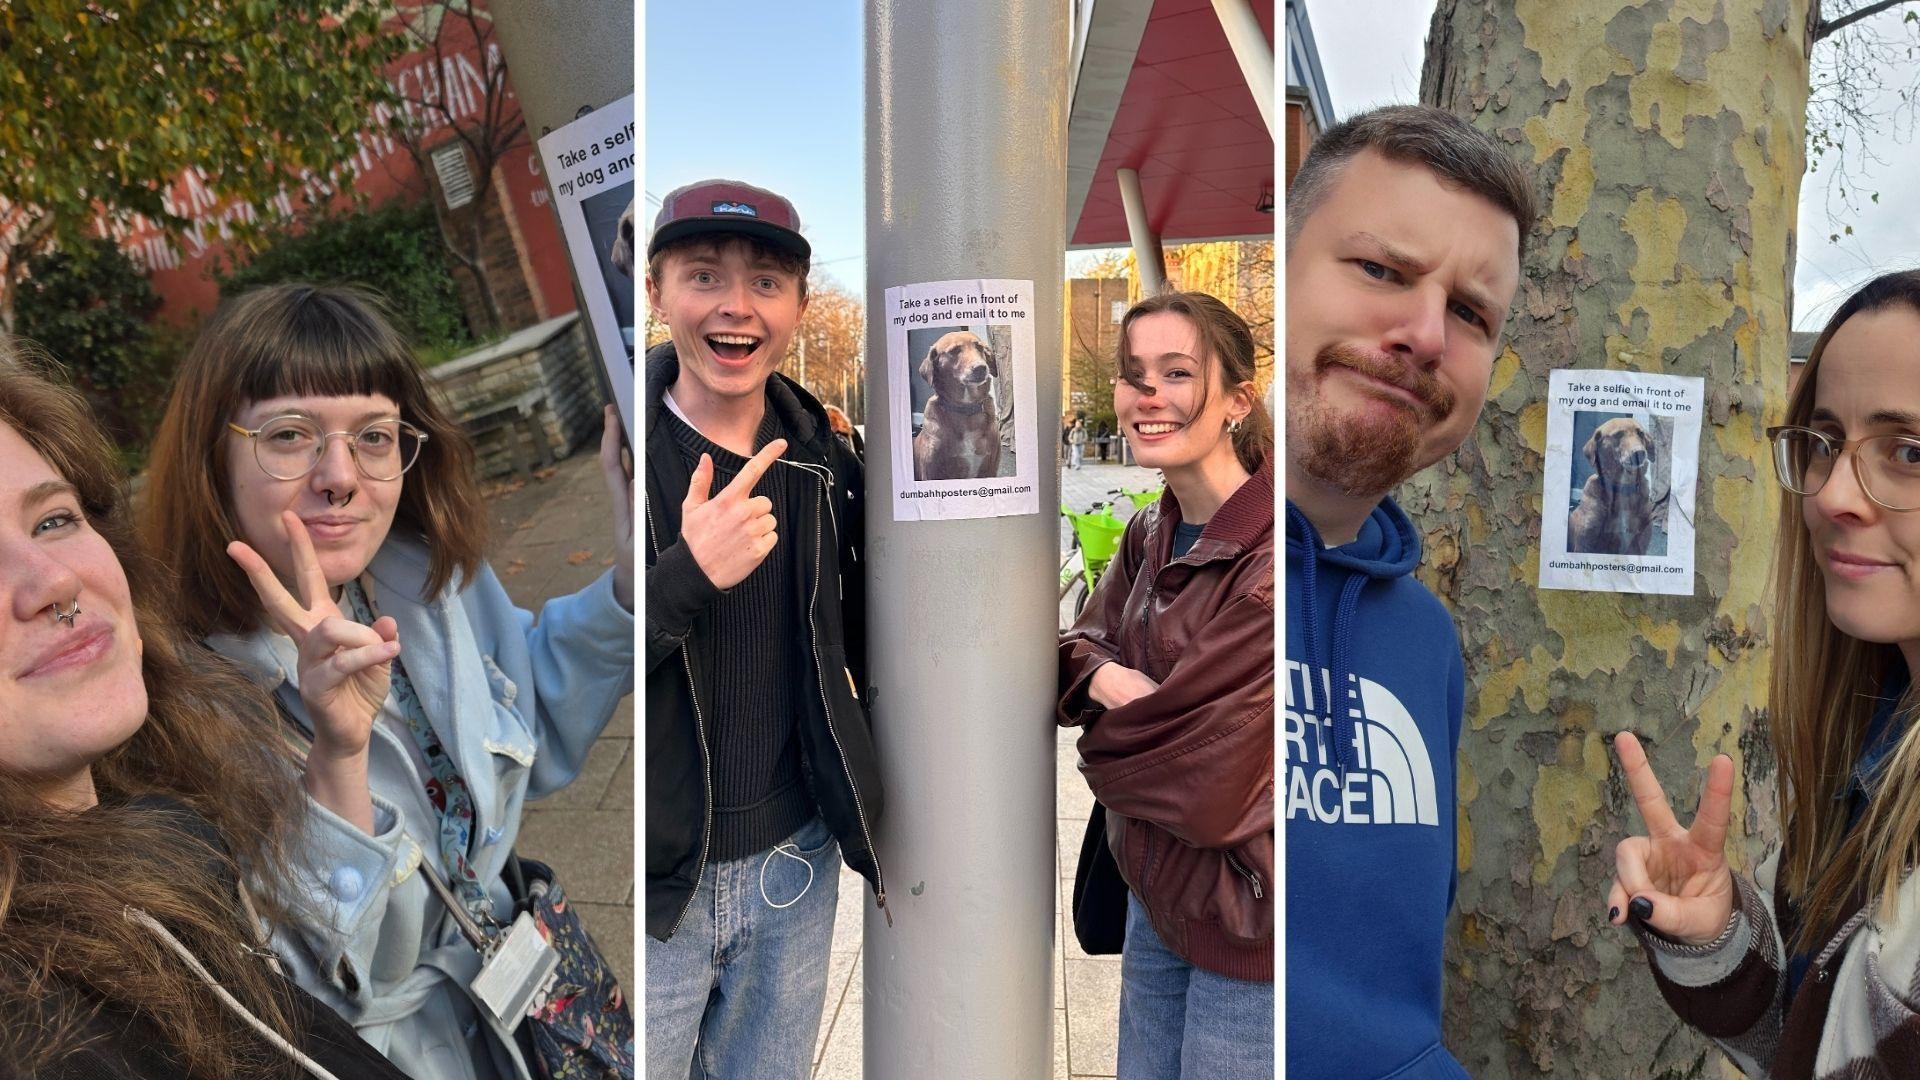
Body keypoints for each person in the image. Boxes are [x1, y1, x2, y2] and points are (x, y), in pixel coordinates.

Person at [138, 284, 636, 1080]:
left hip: (528, 1016)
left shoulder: (425, 580)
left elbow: (528, 712)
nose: (339, 477)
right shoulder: (181, 696)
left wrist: (629, 581)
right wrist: (338, 754)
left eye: (373, 435)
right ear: (212, 459)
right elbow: (299, 972)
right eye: (290, 435)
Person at [0, 343, 413, 1079]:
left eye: (53, 521)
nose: (54, 583)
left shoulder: (158, 804)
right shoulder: (38, 1031)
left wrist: (341, 750)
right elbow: (344, 968)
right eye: (290, 435)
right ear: (211, 466)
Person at [1608, 269, 1920, 1076]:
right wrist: (1719, 939)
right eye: (1822, 442)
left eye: (1909, 452)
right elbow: (1805, 1047)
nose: (1832, 496)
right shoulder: (1863, 746)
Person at [1283, 104, 1534, 1080]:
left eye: (1471, 313)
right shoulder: (1184, 561)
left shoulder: (1426, 642)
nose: (1426, 334)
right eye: (1382, 271)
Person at [641, 178, 885, 1078]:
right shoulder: (626, 460)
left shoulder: (828, 462)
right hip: (664, 877)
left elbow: (869, 632)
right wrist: (681, 582)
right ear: (657, 291)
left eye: (767, 282)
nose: (736, 307)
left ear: (799, 305)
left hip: (797, 862)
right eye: (704, 275)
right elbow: (582, 679)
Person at [1058, 291, 1275, 1077]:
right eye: (1132, 373)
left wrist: (1100, 719)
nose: (1146, 395)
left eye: (1177, 372)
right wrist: (1116, 685)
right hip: (1158, 900)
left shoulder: (1271, 565)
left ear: (1236, 401)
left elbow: (1207, 786)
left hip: (1248, 928)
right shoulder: (1155, 527)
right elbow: (1072, 649)